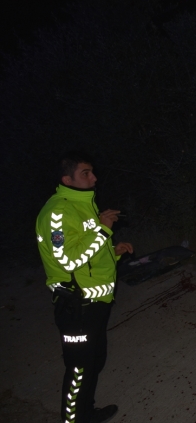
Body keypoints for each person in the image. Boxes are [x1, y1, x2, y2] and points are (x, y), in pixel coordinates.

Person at [35, 151, 133, 423]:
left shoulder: (83, 205)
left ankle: (86, 412)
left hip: (97, 303)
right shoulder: (57, 212)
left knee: (94, 362)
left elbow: (87, 254)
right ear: (66, 179)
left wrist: (113, 252)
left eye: (92, 172)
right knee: (79, 368)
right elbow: (67, 260)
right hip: (77, 306)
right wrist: (103, 230)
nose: (94, 177)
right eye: (85, 173)